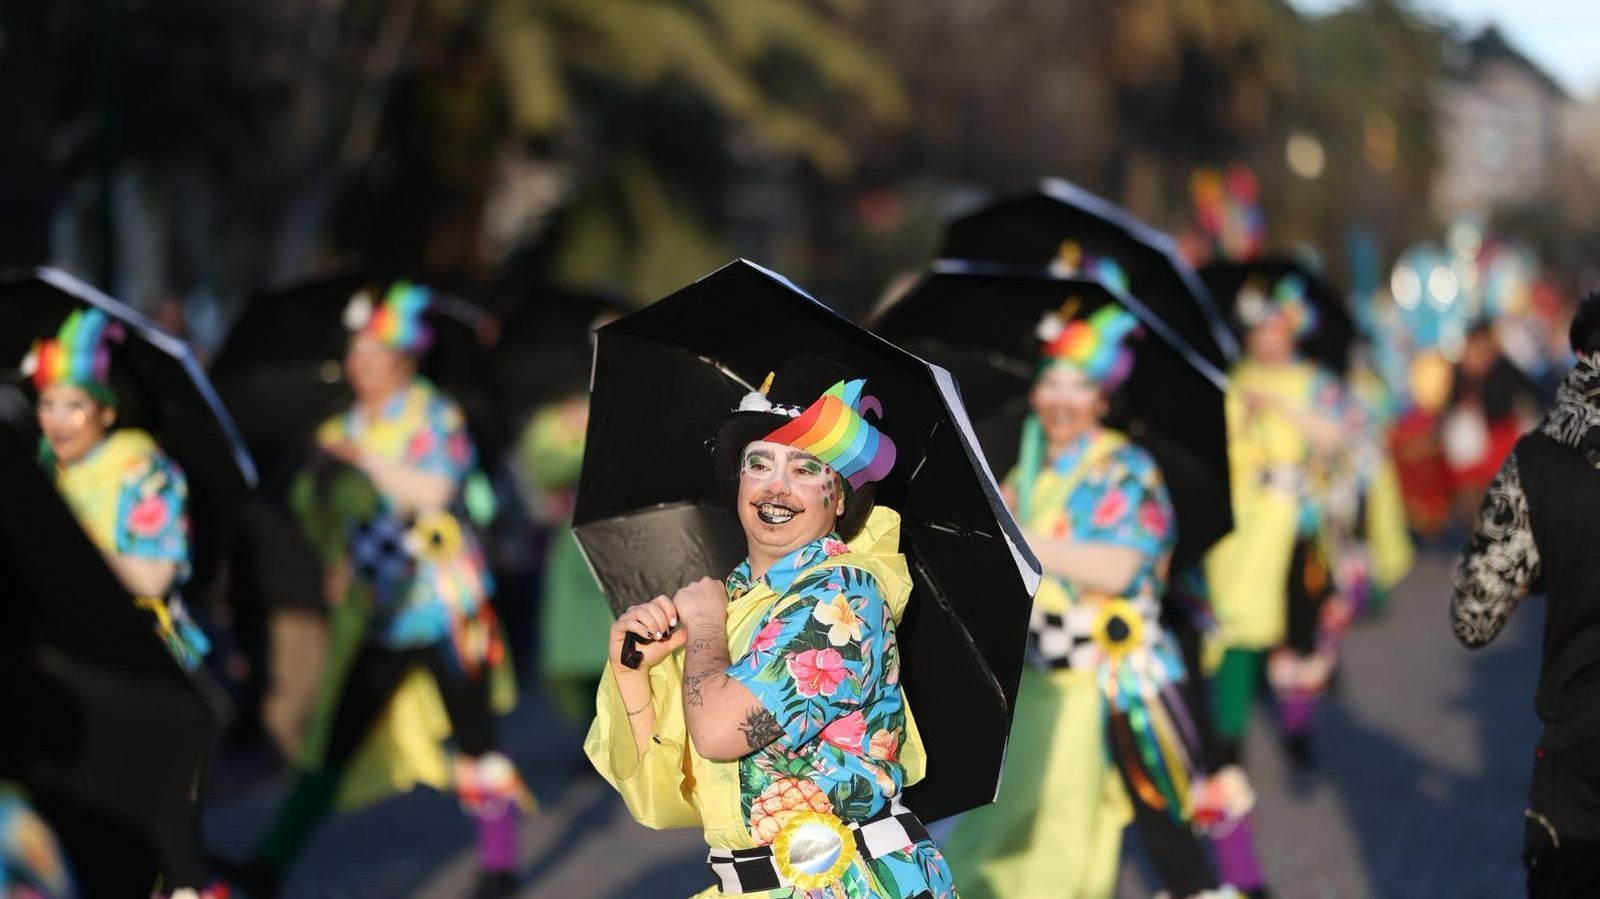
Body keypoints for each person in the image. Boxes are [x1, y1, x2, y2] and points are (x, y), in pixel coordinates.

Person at [586, 357, 956, 898]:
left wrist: (707, 626)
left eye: (806, 469)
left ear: (840, 499)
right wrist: (635, 673)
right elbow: (671, 796)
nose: (775, 487)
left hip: (843, 885)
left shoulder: (842, 594)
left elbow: (717, 733)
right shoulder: (736, 597)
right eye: (759, 464)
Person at [222, 282, 528, 898]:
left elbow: (437, 492)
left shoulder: (434, 415)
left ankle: (500, 865)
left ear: (404, 358)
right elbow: (320, 513)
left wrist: (362, 461)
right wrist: (322, 498)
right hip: (379, 614)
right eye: (355, 356)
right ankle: (268, 868)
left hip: (448, 610)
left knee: (476, 744)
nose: (359, 367)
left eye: (373, 355)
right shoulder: (339, 427)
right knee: (330, 742)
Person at [938, 304, 1229, 898]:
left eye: (1079, 386)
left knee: (1168, 827)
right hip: (1045, 683)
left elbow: (1121, 565)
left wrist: (1021, 537)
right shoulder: (1029, 468)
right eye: (1051, 382)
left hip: (1119, 679)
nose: (1061, 399)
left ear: (1103, 398)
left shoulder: (1127, 466)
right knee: (1009, 833)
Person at [1453, 290, 1600, 896]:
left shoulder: (1538, 461)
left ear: (1580, 356)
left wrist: (1546, 565)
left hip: (1581, 752)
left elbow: (1475, 616)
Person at [1202, 276, 1346, 769]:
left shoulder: (1316, 382)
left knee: (1299, 630)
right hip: (1244, 526)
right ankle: (1228, 741)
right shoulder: (1230, 379)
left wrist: (1283, 407)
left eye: (1276, 327)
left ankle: (1297, 726)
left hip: (1300, 525)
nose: (1267, 337)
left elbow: (1334, 439)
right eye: (1259, 329)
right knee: (1237, 628)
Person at [24, 308, 209, 670]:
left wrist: (71, 543)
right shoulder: (44, 465)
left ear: (106, 411)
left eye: (75, 406)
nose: (58, 422)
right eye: (48, 404)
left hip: (141, 658)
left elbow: (153, 579)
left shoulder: (146, 472)